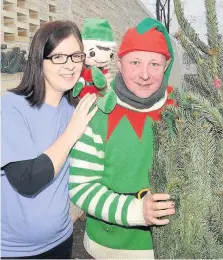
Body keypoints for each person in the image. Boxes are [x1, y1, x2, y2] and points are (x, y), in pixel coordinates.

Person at [69, 18, 175, 259]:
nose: (145, 74)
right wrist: (137, 211)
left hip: (173, 247)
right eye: (135, 62)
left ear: (166, 65)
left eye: (155, 64)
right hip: (109, 249)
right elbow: (81, 187)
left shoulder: (181, 109)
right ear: (119, 63)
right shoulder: (97, 110)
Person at [1, 20, 97, 258]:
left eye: (76, 56)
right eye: (58, 57)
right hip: (14, 251)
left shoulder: (75, 107)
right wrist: (72, 130)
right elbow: (27, 179)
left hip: (62, 240)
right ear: (39, 61)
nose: (70, 65)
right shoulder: (11, 107)